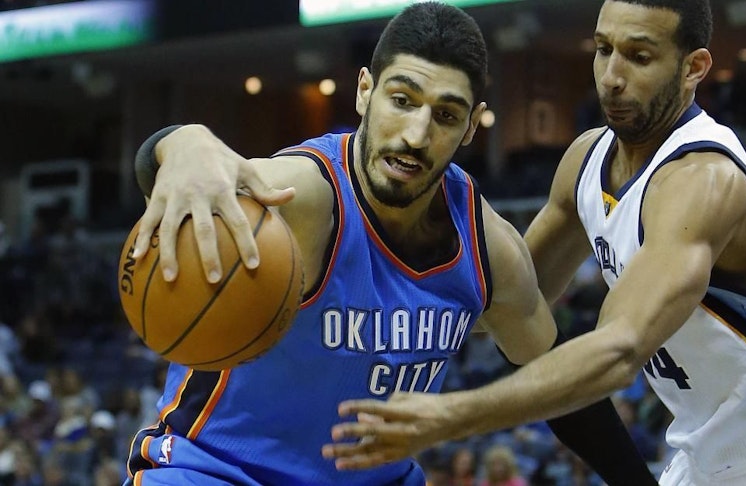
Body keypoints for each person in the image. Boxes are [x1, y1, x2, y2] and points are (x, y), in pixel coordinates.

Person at [324, 1, 746, 484]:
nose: (612, 75)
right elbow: (501, 307)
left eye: (639, 56)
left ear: (694, 66)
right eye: (603, 49)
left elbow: (617, 351)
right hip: (709, 465)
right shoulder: (585, 161)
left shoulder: (703, 180)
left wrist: (450, 416)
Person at [125, 3, 657, 485]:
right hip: (218, 472)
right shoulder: (304, 196)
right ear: (364, 91)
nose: (416, 134)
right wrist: (180, 142)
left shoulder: (489, 249)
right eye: (401, 100)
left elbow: (565, 395)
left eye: (445, 115)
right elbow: (197, 171)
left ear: (472, 126)